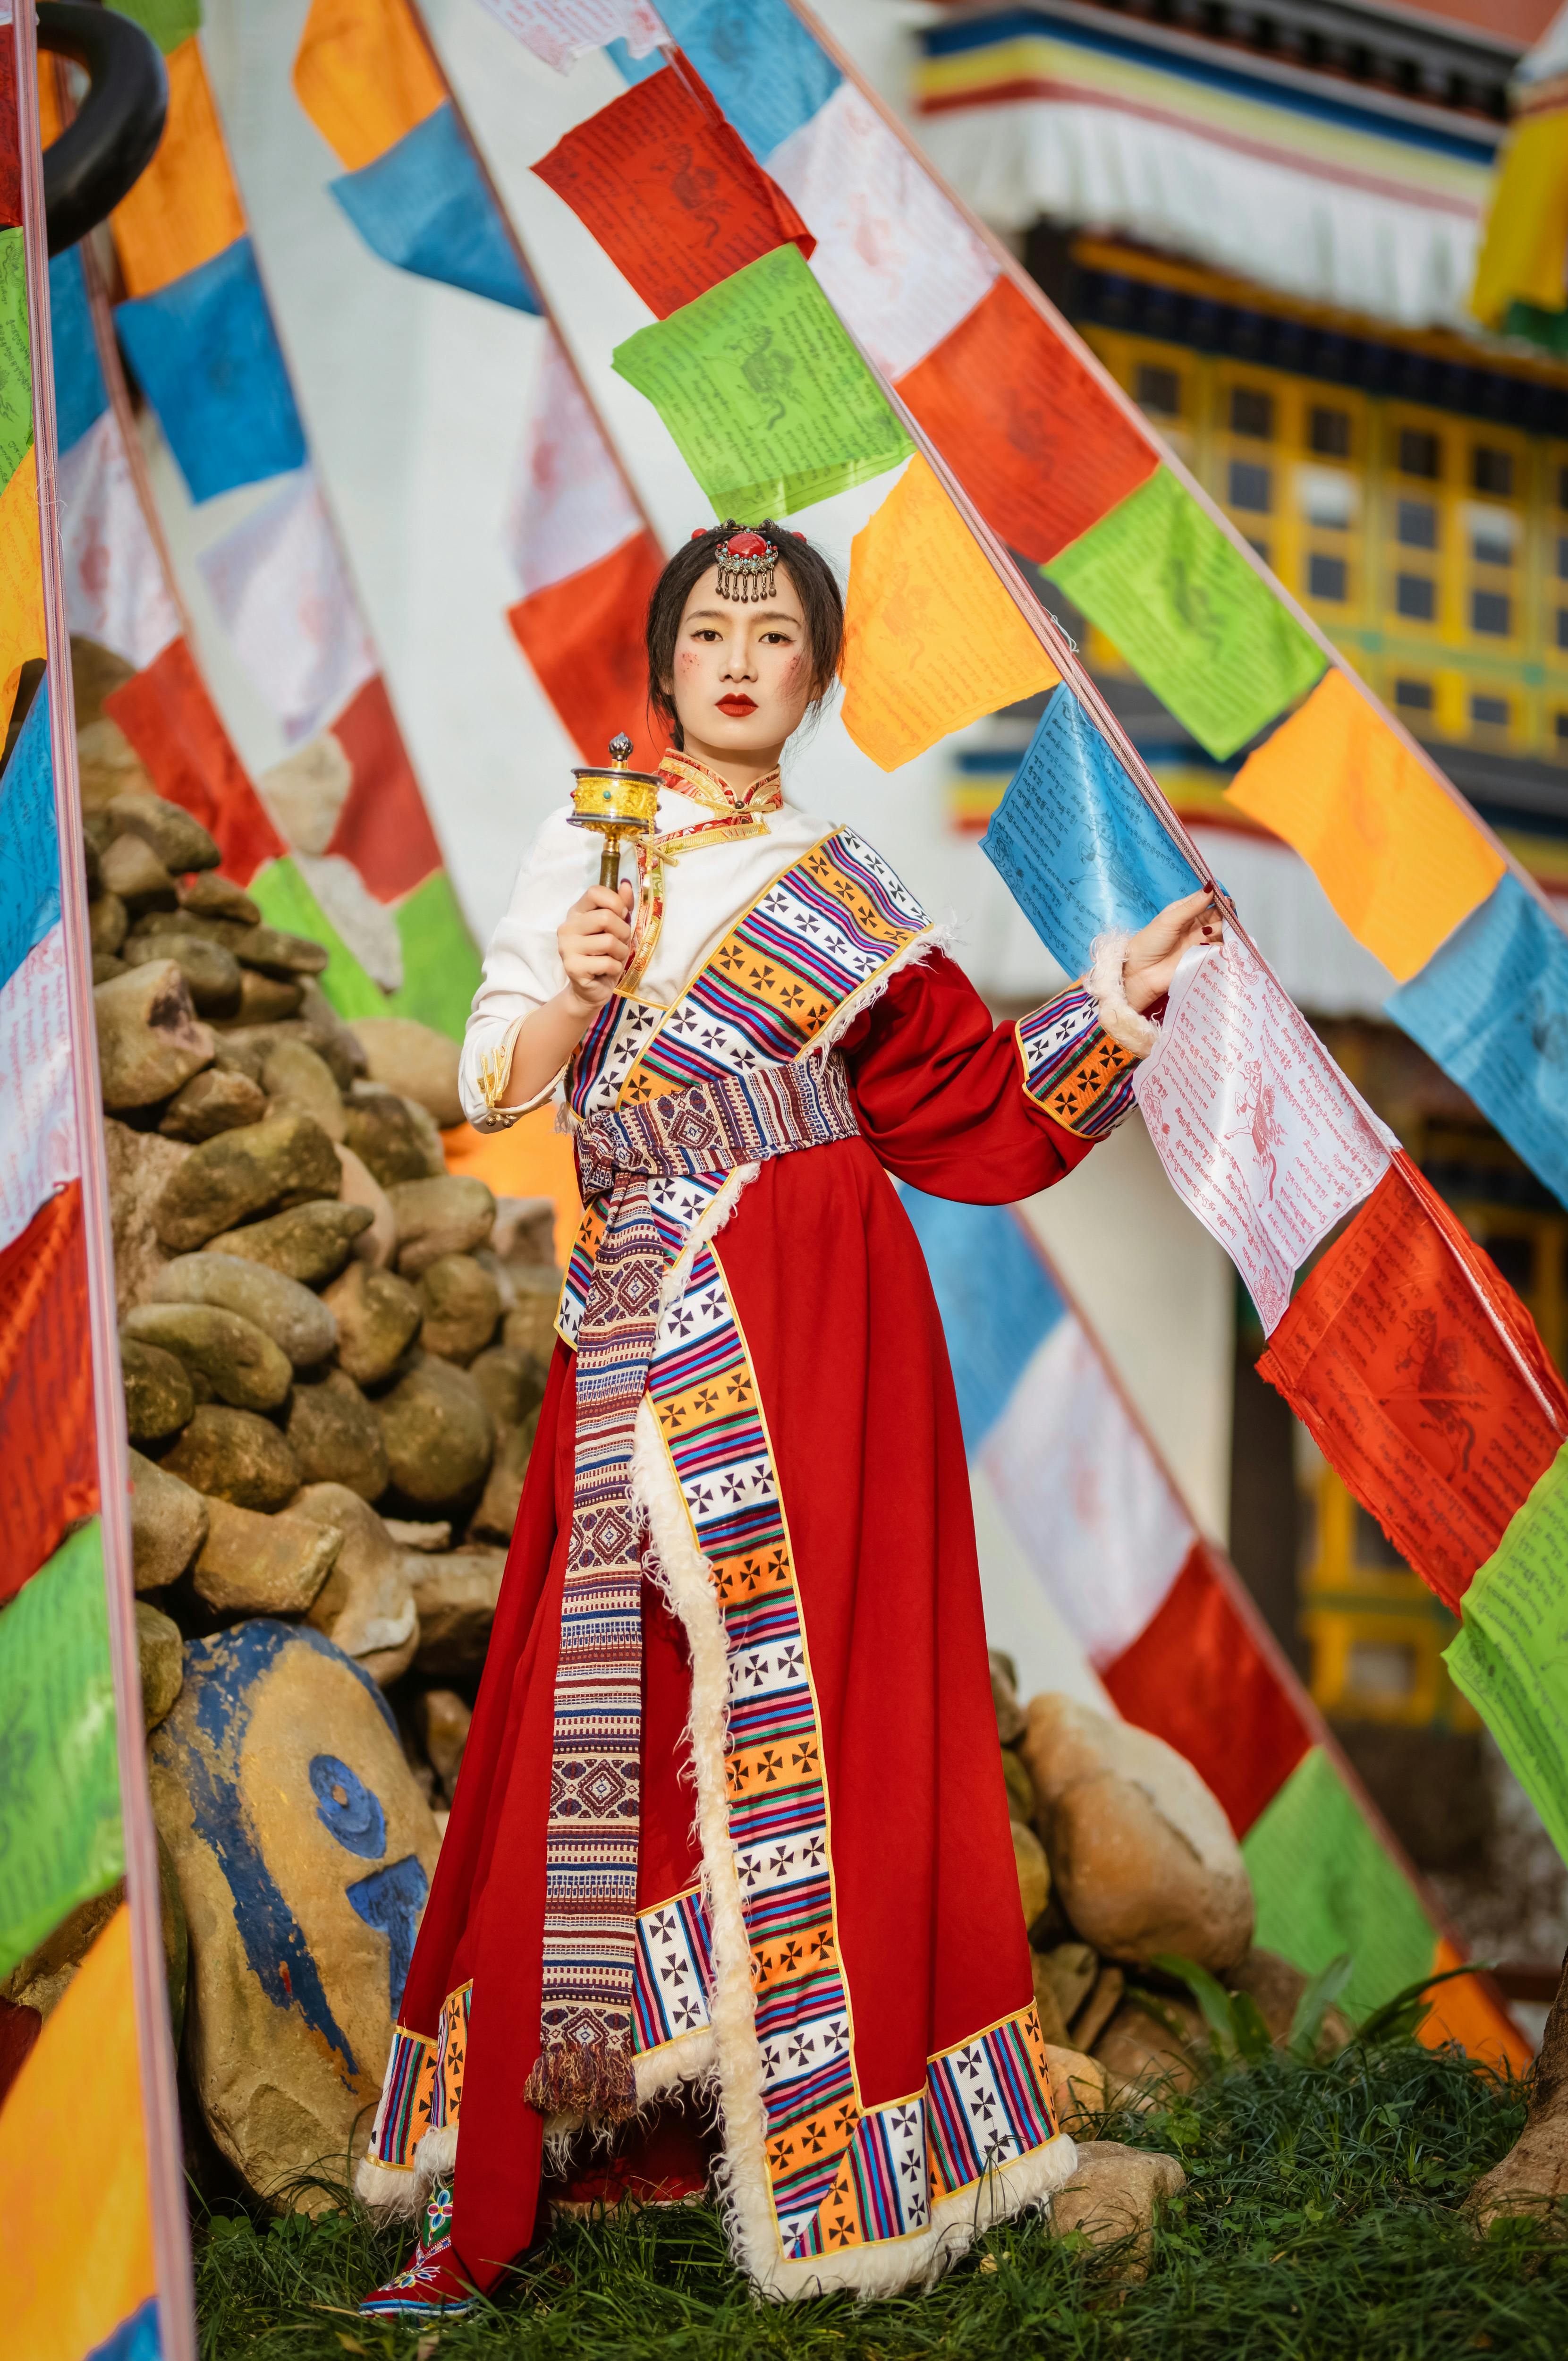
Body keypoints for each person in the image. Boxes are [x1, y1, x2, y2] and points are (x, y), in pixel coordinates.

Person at [357, 522, 1218, 2315]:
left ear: (815, 684)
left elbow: (969, 1116)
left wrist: (1114, 1015)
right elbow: (492, 1067)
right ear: (665, 665)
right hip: (640, 1321)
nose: (742, 657)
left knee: (823, 1725)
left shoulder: (846, 882)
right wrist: (580, 986)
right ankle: (492, 2204)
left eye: (778, 635)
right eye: (712, 629)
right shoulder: (591, 849)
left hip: (832, 1332)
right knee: (581, 1740)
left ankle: (842, 2172)